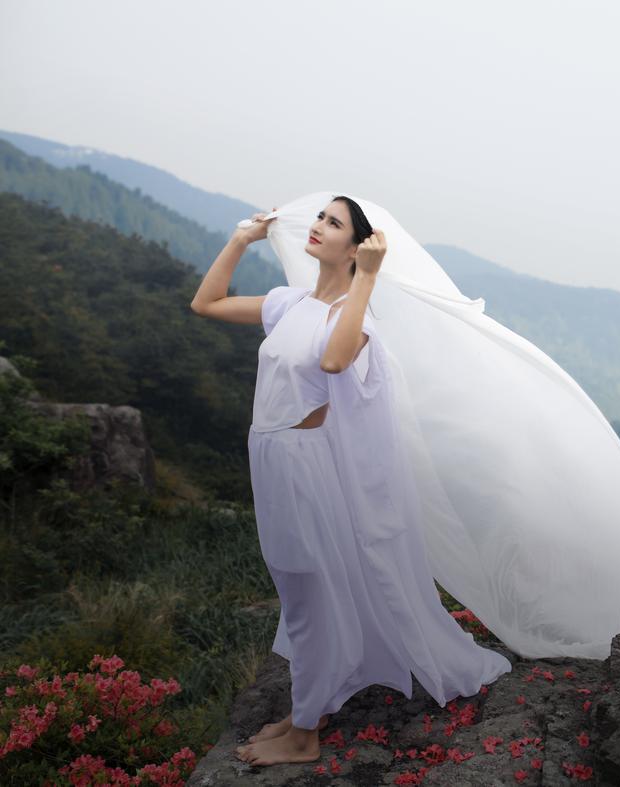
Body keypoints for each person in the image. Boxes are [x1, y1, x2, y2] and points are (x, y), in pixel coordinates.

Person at [190, 196, 514, 767]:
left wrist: (366, 277)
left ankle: (304, 734)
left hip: (301, 463)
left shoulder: (353, 317)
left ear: (357, 247)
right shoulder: (292, 303)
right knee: (297, 588)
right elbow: (206, 303)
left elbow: (335, 362)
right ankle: (308, 708)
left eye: (334, 223)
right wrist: (242, 238)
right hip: (270, 456)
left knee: (307, 588)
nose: (318, 226)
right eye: (320, 216)